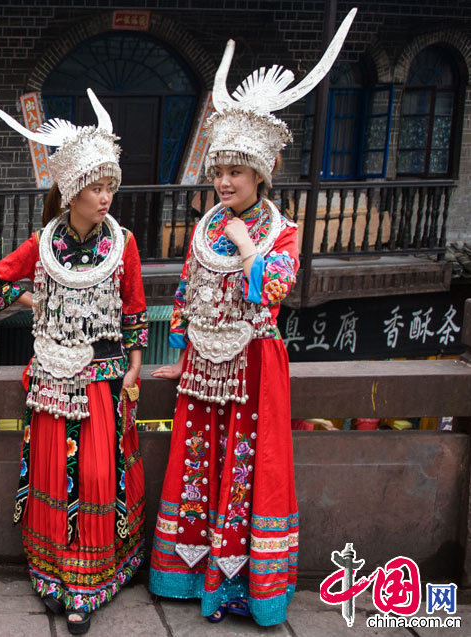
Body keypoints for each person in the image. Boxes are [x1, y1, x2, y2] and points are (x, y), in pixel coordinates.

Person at [147, 9, 358, 626]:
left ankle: (240, 590)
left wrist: (247, 247)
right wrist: (180, 357)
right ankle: (189, 579)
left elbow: (276, 293)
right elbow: (186, 297)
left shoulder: (281, 232)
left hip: (255, 367)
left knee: (244, 471)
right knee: (196, 468)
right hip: (203, 372)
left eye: (233, 172)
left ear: (260, 174)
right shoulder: (203, 227)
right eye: (217, 171)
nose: (222, 182)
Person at [0, 89, 148, 635]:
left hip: (101, 383)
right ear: (71, 190)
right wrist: (38, 301)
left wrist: (136, 365)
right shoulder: (42, 242)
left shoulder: (123, 244)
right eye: (96, 188)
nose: (106, 197)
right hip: (52, 380)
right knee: (57, 473)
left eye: (109, 187)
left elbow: (135, 312)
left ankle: (89, 583)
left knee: (97, 476)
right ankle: (55, 577)